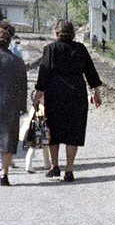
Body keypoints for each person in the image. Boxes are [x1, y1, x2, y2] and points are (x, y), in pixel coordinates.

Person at [33, 19, 102, 182]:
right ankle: (69, 170)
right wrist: (97, 95)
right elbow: (92, 74)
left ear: (56, 34)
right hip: (76, 94)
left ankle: (55, 167)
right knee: (73, 131)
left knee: (53, 130)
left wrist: (37, 96)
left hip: (55, 94)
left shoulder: (50, 49)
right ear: (72, 34)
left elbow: (43, 75)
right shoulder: (81, 49)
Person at [0, 27, 27, 186]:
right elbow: (23, 86)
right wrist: (22, 107)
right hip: (10, 104)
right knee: (8, 139)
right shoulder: (17, 61)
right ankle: (4, 174)